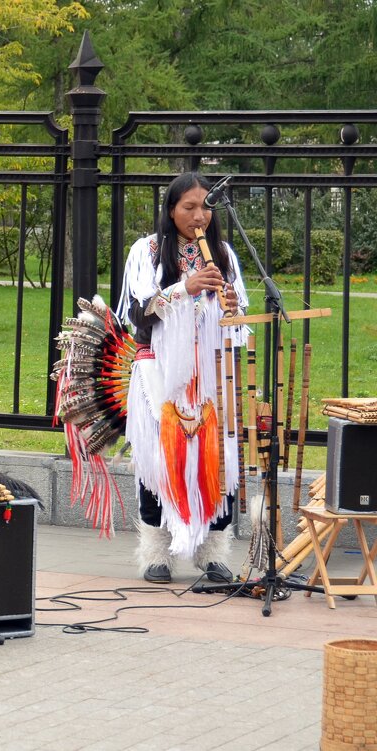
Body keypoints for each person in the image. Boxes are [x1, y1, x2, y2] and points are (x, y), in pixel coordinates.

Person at [116, 172, 248, 584]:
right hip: (159, 370)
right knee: (160, 458)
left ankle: (212, 552)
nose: (199, 216)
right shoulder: (149, 251)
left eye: (205, 207)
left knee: (216, 454)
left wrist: (229, 305)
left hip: (209, 371)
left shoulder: (223, 253)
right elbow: (139, 312)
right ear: (171, 210)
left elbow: (239, 319)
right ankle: (157, 553)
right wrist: (185, 288)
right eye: (188, 207)